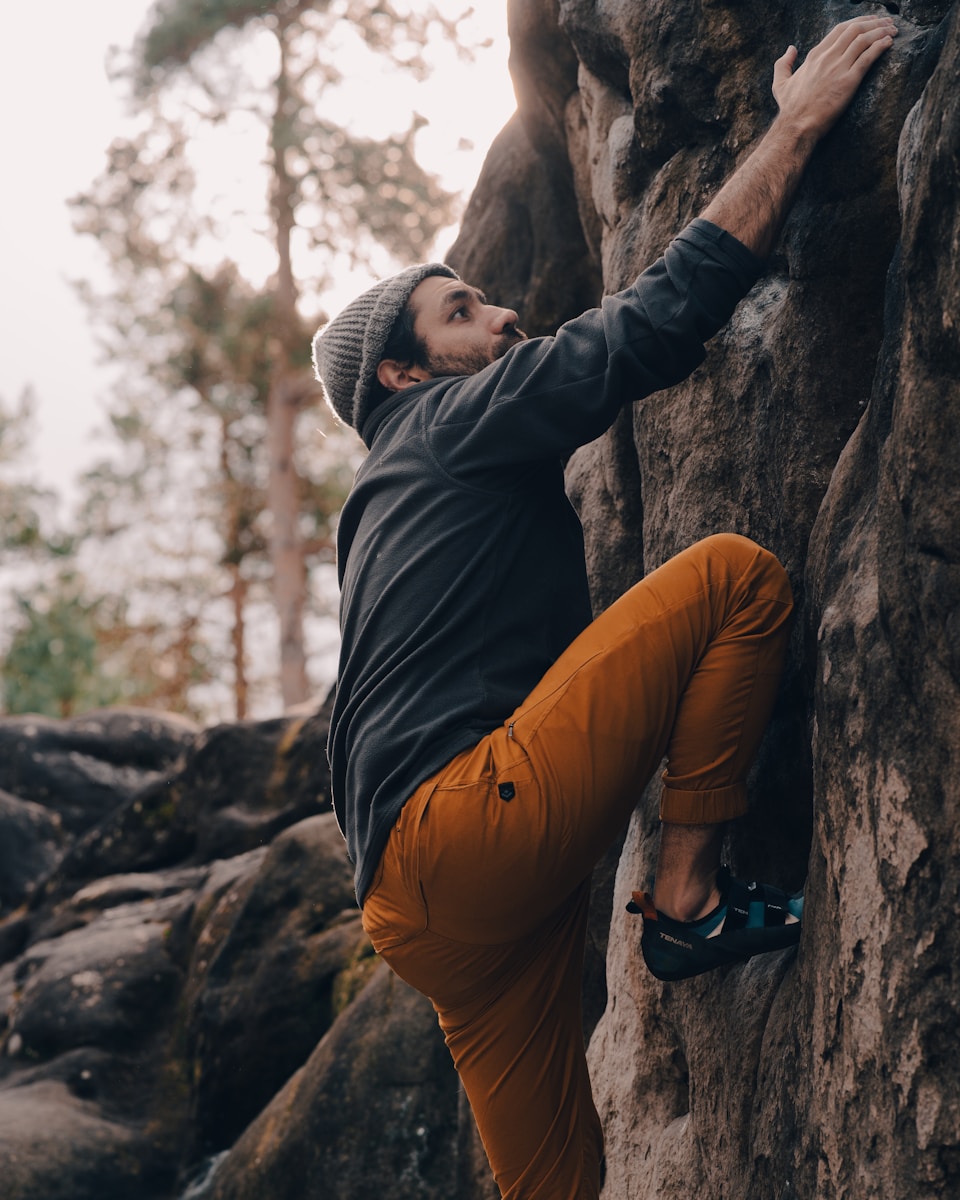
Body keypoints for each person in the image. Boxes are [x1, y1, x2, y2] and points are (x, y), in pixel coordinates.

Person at [311, 15, 897, 1200]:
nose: (505, 316)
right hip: (463, 830)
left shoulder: (377, 510)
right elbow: (653, 322)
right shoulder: (450, 421)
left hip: (408, 910)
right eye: (463, 311)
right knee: (735, 574)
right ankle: (685, 900)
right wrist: (793, 130)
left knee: (556, 1186)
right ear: (402, 373)